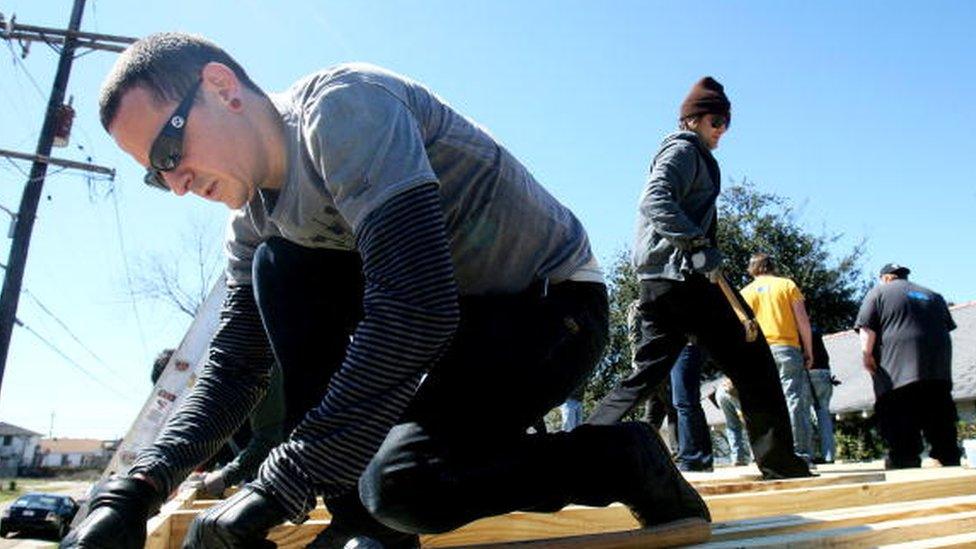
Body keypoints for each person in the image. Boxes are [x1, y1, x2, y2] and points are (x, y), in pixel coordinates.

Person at [64, 33, 710, 549]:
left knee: (404, 484)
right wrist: (136, 489)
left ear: (221, 86)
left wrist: (282, 481)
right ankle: (359, 522)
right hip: (454, 331)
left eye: (170, 149)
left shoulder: (344, 111)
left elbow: (416, 307)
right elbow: (232, 371)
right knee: (279, 270)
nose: (175, 183)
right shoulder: (252, 222)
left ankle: (624, 457)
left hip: (547, 310)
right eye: (156, 174)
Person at [587, 76, 810, 480]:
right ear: (693, 120)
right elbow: (653, 199)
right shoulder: (684, 151)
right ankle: (780, 463)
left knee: (646, 373)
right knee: (754, 356)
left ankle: (579, 450)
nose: (723, 131)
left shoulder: (685, 152)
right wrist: (695, 243)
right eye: (717, 121)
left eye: (727, 123)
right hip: (685, 278)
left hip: (660, 283)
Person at [855, 263, 961, 469]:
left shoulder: (878, 292)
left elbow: (867, 328)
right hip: (937, 370)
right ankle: (946, 456)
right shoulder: (934, 296)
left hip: (898, 370)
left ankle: (904, 458)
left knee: (899, 413)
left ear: (886, 278)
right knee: (939, 413)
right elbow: (947, 328)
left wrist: (867, 355)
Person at [739, 253, 815, 463]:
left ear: (752, 269)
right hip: (786, 347)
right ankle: (800, 453)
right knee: (794, 400)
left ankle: (769, 454)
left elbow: (742, 328)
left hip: (759, 352)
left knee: (764, 403)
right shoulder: (787, 285)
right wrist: (808, 350)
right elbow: (803, 322)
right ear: (772, 266)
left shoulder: (745, 293)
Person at [808, 327, 836, 464]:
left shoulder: (798, 331)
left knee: (805, 415)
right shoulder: (816, 332)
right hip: (825, 373)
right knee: (824, 414)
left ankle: (810, 454)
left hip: (809, 373)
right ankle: (829, 455)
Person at [715, 377, 751, 466]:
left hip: (721, 389)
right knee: (749, 423)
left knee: (732, 425)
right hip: (733, 389)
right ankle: (756, 456)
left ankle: (738, 457)